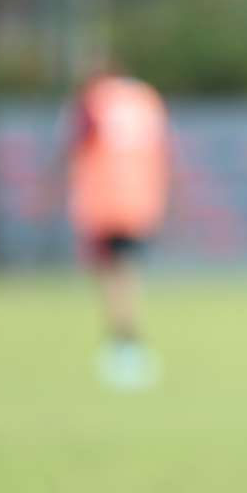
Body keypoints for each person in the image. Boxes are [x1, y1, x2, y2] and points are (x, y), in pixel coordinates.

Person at [64, 69, 170, 390]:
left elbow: (76, 144)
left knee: (111, 272)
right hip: (141, 198)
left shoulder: (93, 101)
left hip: (104, 199)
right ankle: (126, 341)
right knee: (126, 270)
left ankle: (124, 342)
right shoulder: (145, 97)